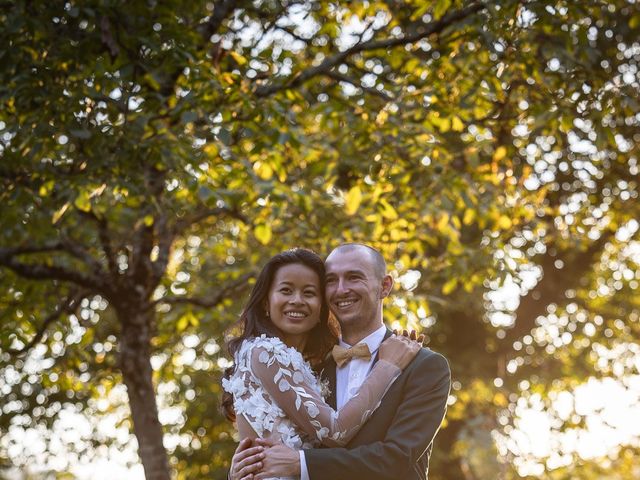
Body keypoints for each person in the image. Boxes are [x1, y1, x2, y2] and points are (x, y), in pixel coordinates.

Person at [228, 244, 451, 480]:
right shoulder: (311, 370)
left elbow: (396, 458)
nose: (341, 289)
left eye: (354, 277)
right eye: (331, 281)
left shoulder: (424, 366)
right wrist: (241, 472)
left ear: (384, 286)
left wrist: (302, 463)